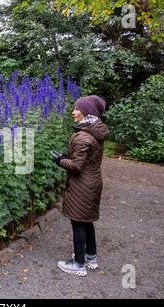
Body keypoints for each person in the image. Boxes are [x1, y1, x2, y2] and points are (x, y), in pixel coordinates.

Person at [53, 95, 109, 276]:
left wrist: (60, 160)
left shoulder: (83, 136)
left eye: (77, 109)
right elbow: (84, 159)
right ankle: (90, 257)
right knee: (87, 222)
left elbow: (77, 166)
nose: (73, 112)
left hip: (82, 185)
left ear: (87, 113)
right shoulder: (95, 132)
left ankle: (78, 264)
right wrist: (67, 156)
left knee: (78, 223)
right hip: (93, 182)